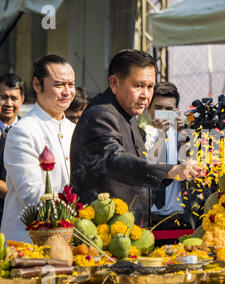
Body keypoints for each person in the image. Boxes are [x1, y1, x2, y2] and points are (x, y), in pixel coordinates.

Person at [70, 49, 203, 228]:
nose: (146, 95)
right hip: (104, 233)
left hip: (130, 229)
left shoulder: (128, 113)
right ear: (114, 83)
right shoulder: (101, 115)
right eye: (138, 86)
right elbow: (114, 159)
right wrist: (169, 171)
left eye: (150, 87)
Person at [0, 55, 76, 241]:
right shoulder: (23, 131)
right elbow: (33, 196)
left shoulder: (76, 131)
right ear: (37, 84)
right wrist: (80, 215)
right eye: (59, 85)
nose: (67, 92)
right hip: (28, 244)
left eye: (71, 84)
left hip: (71, 241)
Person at [147, 82, 193, 231]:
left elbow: (191, 169)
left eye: (168, 110)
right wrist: (160, 135)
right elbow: (150, 166)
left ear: (176, 112)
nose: (163, 114)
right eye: (158, 109)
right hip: (148, 219)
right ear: (149, 109)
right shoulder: (140, 135)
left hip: (178, 219)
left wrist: (184, 134)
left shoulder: (183, 136)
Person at [0, 73, 25, 227]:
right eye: (3, 97)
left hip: (22, 216)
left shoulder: (29, 130)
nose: (8, 103)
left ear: (22, 100)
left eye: (14, 98)